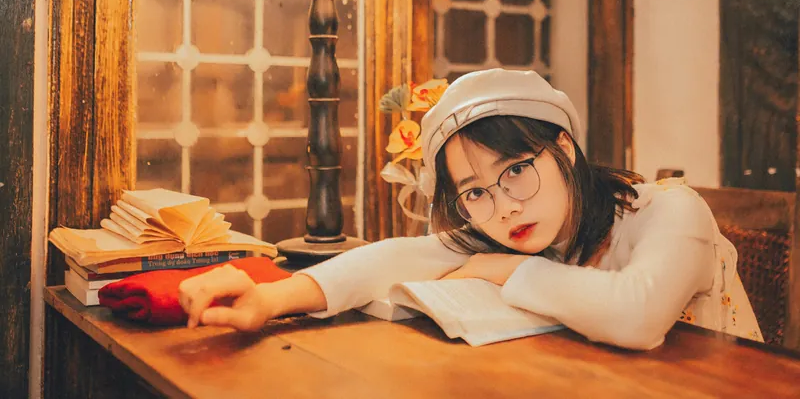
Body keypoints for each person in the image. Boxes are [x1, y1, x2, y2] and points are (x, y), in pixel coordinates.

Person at [178, 69, 763, 349]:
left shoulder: (673, 212)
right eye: (476, 191)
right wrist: (272, 297)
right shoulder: (510, 229)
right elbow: (396, 258)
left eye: (515, 170)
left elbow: (637, 318)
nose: (504, 206)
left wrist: (506, 271)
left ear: (563, 148)